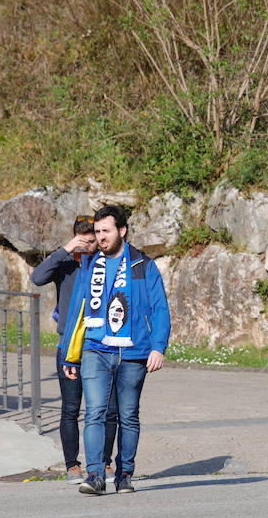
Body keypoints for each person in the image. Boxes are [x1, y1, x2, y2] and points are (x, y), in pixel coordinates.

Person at [59, 205, 171, 495]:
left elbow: (160, 308)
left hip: (134, 352)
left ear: (121, 230)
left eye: (105, 231)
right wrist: (69, 353)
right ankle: (95, 475)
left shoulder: (142, 265)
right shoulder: (90, 264)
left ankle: (124, 475)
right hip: (95, 349)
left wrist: (158, 347)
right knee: (94, 412)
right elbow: (77, 311)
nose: (101, 237)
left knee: (128, 415)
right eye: (97, 232)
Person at [30, 216, 118, 485]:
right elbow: (37, 277)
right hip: (68, 345)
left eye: (93, 240)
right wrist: (66, 249)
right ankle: (73, 465)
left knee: (108, 409)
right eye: (85, 241)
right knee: (70, 408)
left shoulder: (107, 261)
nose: (90, 246)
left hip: (102, 343)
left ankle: (104, 462)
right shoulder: (66, 262)